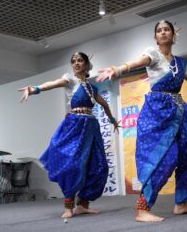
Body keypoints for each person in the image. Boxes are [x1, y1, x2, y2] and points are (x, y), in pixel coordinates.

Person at [97, 20, 187, 222]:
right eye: (159, 30)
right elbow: (138, 62)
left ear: (173, 35)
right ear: (155, 37)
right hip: (158, 112)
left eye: (166, 29)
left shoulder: (180, 63)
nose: (162, 32)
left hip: (180, 112)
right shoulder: (153, 54)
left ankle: (181, 204)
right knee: (164, 159)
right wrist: (118, 69)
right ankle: (143, 208)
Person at [19, 52, 119, 218]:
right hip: (74, 126)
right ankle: (68, 206)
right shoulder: (70, 81)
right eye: (74, 61)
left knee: (99, 166)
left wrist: (113, 120)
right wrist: (35, 89)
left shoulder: (92, 88)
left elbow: (104, 103)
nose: (76, 63)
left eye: (80, 61)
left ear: (87, 65)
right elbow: (52, 84)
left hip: (91, 128)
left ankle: (83, 205)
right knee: (73, 165)